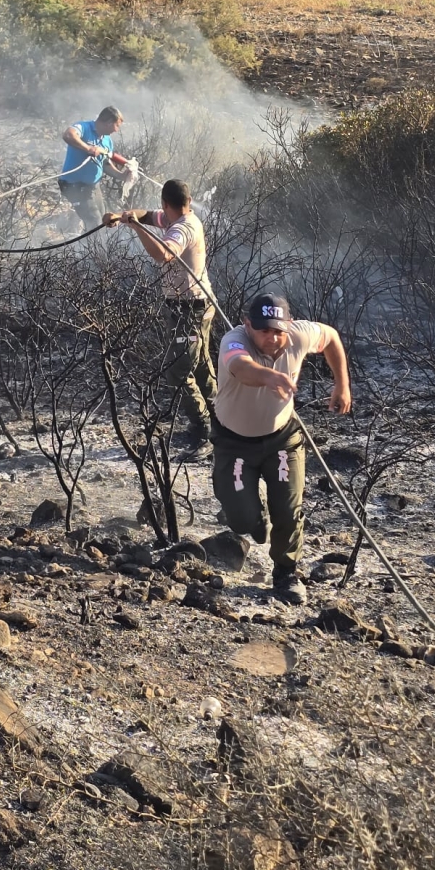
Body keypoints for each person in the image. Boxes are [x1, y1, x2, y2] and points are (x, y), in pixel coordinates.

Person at [212, 291, 351, 606]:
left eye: (278, 330)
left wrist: (341, 384)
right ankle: (253, 519)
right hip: (234, 442)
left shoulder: (299, 335)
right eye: (263, 330)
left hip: (281, 440)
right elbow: (241, 367)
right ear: (248, 324)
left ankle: (286, 573)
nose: (272, 338)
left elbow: (330, 338)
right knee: (241, 519)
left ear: (288, 324)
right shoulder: (233, 341)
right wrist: (268, 376)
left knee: (288, 510)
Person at [104, 179, 217, 444]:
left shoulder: (183, 228)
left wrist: (135, 228)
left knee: (178, 372)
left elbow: (163, 254)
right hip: (192, 306)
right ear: (187, 201)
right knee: (200, 365)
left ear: (167, 203)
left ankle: (203, 429)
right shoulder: (174, 219)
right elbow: (146, 215)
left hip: (191, 310)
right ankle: (222, 419)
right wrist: (122, 217)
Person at [59, 106, 128, 229]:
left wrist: (122, 175)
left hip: (92, 186)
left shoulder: (107, 140)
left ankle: (90, 245)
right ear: (108, 123)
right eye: (117, 126)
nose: (117, 130)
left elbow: (105, 163)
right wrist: (88, 148)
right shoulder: (83, 127)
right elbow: (68, 135)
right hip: (74, 186)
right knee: (94, 221)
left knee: (103, 220)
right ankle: (94, 248)